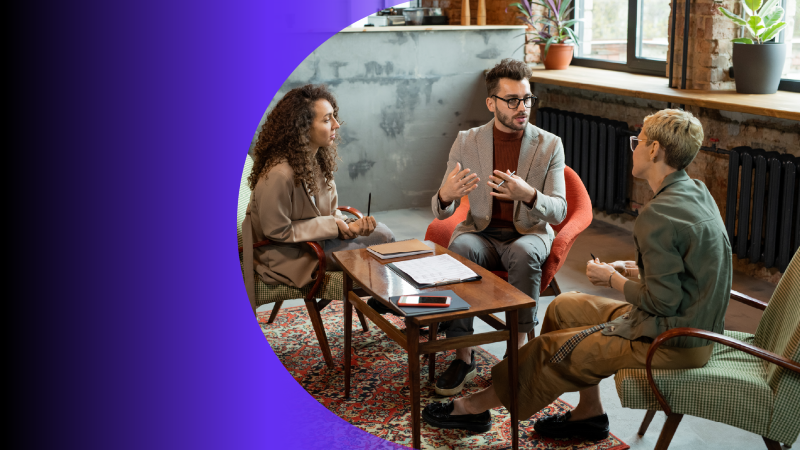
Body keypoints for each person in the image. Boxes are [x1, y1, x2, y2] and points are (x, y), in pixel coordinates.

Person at [422, 109, 732, 440]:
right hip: (687, 324)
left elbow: (662, 301)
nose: (634, 148)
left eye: (638, 142)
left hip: (671, 340)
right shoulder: (696, 191)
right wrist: (629, 268)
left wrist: (612, 280)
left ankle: (472, 409)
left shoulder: (657, 215)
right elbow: (681, 272)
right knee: (564, 306)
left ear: (654, 149)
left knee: (548, 349)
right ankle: (590, 413)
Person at [430, 59, 567, 396]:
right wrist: (445, 195)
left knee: (523, 252)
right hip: (482, 233)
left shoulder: (550, 144)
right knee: (460, 248)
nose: (523, 108)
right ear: (491, 103)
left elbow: (560, 211)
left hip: (528, 234)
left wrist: (529, 195)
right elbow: (440, 209)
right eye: (512, 100)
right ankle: (463, 356)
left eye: (527, 98)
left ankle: (515, 354)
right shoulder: (467, 142)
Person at [246, 84, 394, 291]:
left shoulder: (318, 163)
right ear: (303, 128)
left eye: (334, 117)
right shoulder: (278, 174)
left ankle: (380, 298)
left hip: (315, 242)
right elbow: (277, 231)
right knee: (383, 244)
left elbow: (330, 214)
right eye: (326, 120)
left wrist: (350, 227)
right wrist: (336, 226)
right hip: (288, 255)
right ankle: (382, 298)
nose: (336, 125)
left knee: (383, 233)